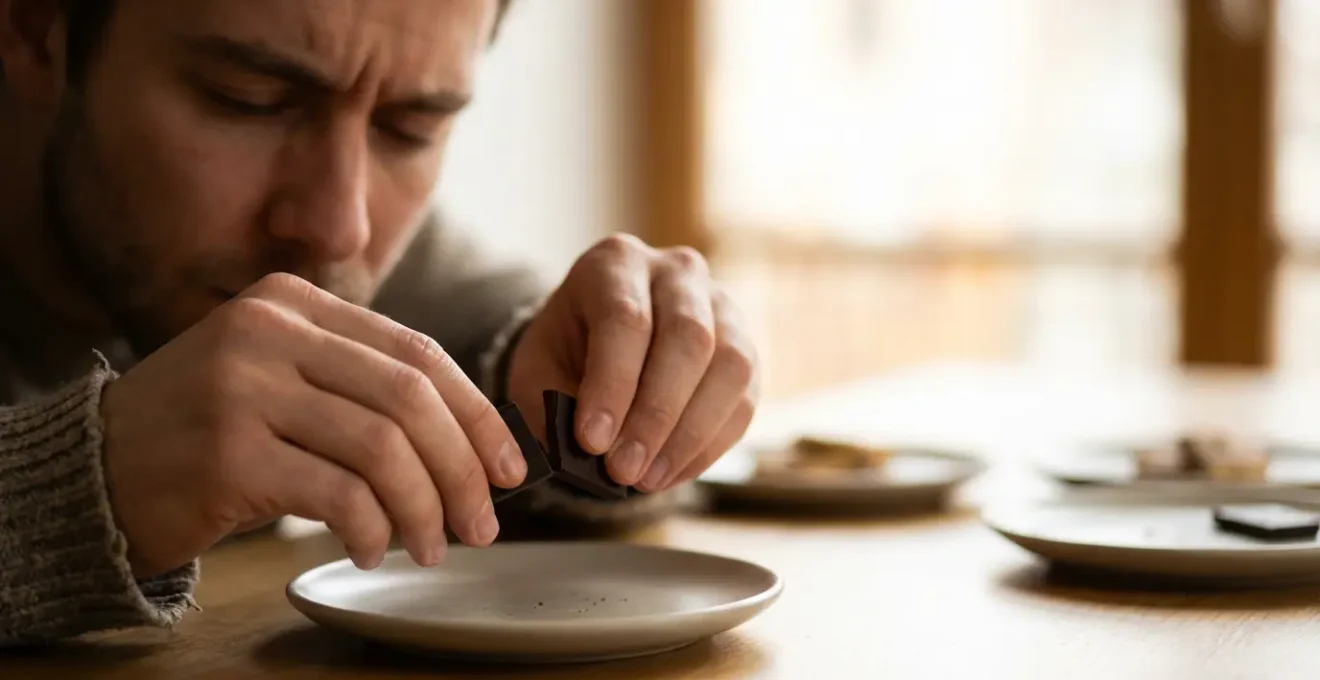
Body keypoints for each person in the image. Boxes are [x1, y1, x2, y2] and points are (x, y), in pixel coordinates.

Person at [0, 0, 760, 645]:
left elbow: (517, 349)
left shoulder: (348, 242)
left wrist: (607, 394)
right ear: (37, 28)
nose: (339, 230)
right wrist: (71, 495)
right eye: (250, 98)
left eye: (410, 128)